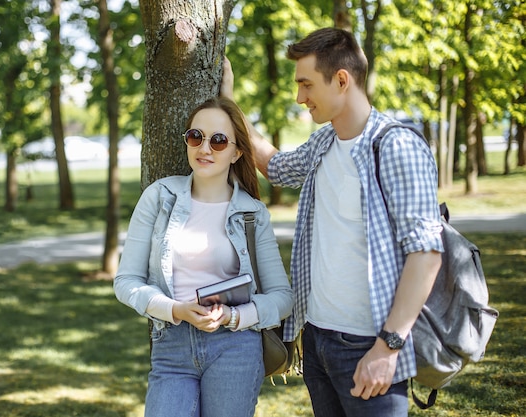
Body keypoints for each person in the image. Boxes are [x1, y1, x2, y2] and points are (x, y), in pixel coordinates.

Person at [222, 27, 444, 416]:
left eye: (306, 84)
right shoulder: (323, 143)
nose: (299, 97)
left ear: (341, 80)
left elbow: (425, 255)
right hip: (317, 341)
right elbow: (273, 164)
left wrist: (387, 347)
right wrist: (227, 101)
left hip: (368, 346)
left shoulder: (396, 146)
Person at [114, 96, 293, 417]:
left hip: (236, 349)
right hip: (172, 346)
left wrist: (234, 316)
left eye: (219, 140)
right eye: (196, 137)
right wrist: (174, 309)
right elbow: (126, 281)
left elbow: (282, 298)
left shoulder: (253, 214)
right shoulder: (159, 197)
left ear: (238, 152)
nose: (205, 148)